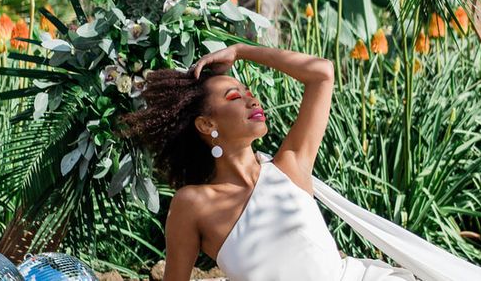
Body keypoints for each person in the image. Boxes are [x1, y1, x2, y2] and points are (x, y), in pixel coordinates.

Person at [119, 42, 419, 281]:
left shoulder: (290, 166)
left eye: (250, 94)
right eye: (235, 96)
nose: (252, 101)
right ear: (205, 124)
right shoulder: (194, 204)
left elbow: (322, 73)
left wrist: (240, 51)